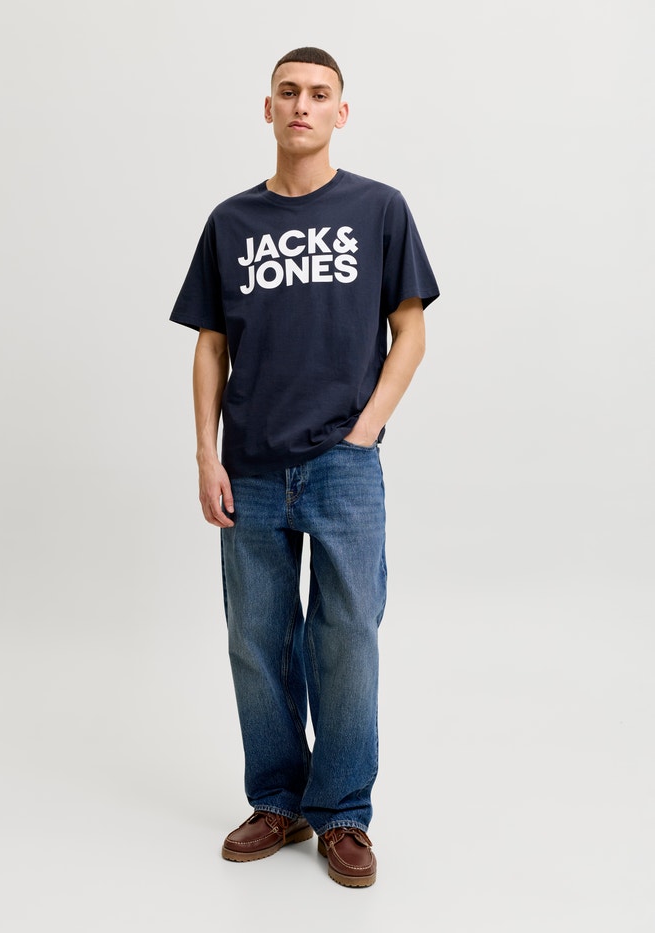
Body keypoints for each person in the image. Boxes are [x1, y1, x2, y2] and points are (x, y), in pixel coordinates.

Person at [170, 47, 439, 888]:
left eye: (319, 94)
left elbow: (411, 330)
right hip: (249, 465)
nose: (302, 105)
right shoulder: (231, 221)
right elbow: (211, 344)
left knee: (346, 636)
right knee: (257, 639)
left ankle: (344, 813)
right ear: (268, 108)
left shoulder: (378, 208)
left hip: (342, 464)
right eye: (288, 91)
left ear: (340, 113)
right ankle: (278, 800)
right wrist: (206, 452)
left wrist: (365, 430)